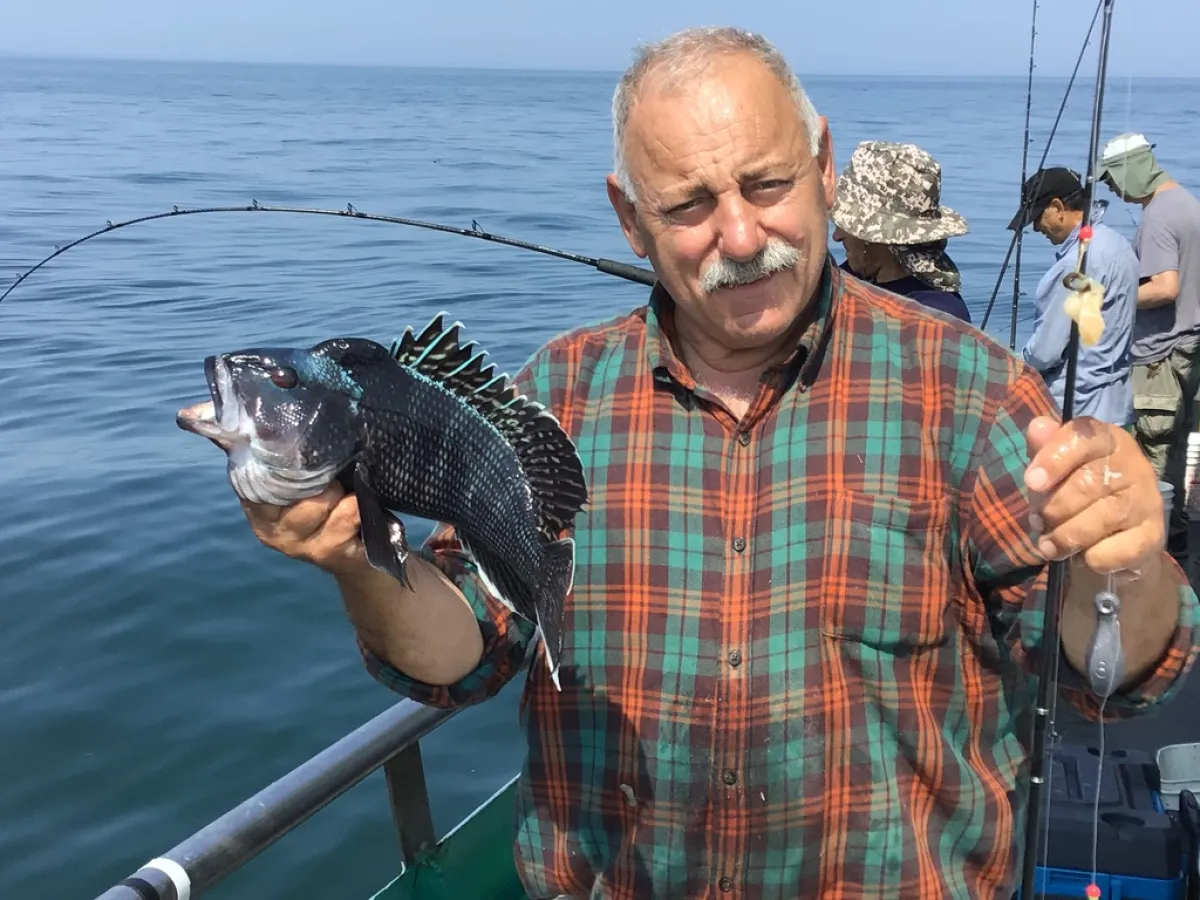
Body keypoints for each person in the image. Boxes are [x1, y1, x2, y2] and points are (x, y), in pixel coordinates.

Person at [231, 28, 1199, 900]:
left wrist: (1123, 565)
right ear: (629, 217)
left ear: (823, 167)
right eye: (689, 204)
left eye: (766, 184)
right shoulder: (555, 395)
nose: (739, 237)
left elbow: (1115, 675)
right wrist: (357, 560)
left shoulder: (974, 391)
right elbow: (470, 654)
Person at [1098, 132, 1200, 565]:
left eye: (1112, 179)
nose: (1112, 189)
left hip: (1160, 356)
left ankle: (1151, 553)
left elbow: (1164, 287)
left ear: (1131, 169)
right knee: (1174, 449)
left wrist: (1109, 299)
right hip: (1187, 350)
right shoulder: (1186, 203)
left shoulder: (1158, 216)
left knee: (1152, 455)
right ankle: (1175, 536)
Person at [1006, 165, 1139, 426]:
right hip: (1115, 404)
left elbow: (1046, 352)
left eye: (1037, 217)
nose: (1036, 228)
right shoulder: (1118, 245)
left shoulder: (1074, 264)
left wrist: (1013, 366)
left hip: (1077, 408)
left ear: (1058, 207)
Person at [831, 139, 973, 322]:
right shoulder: (846, 278)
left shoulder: (934, 315)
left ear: (878, 236)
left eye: (848, 225)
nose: (836, 236)